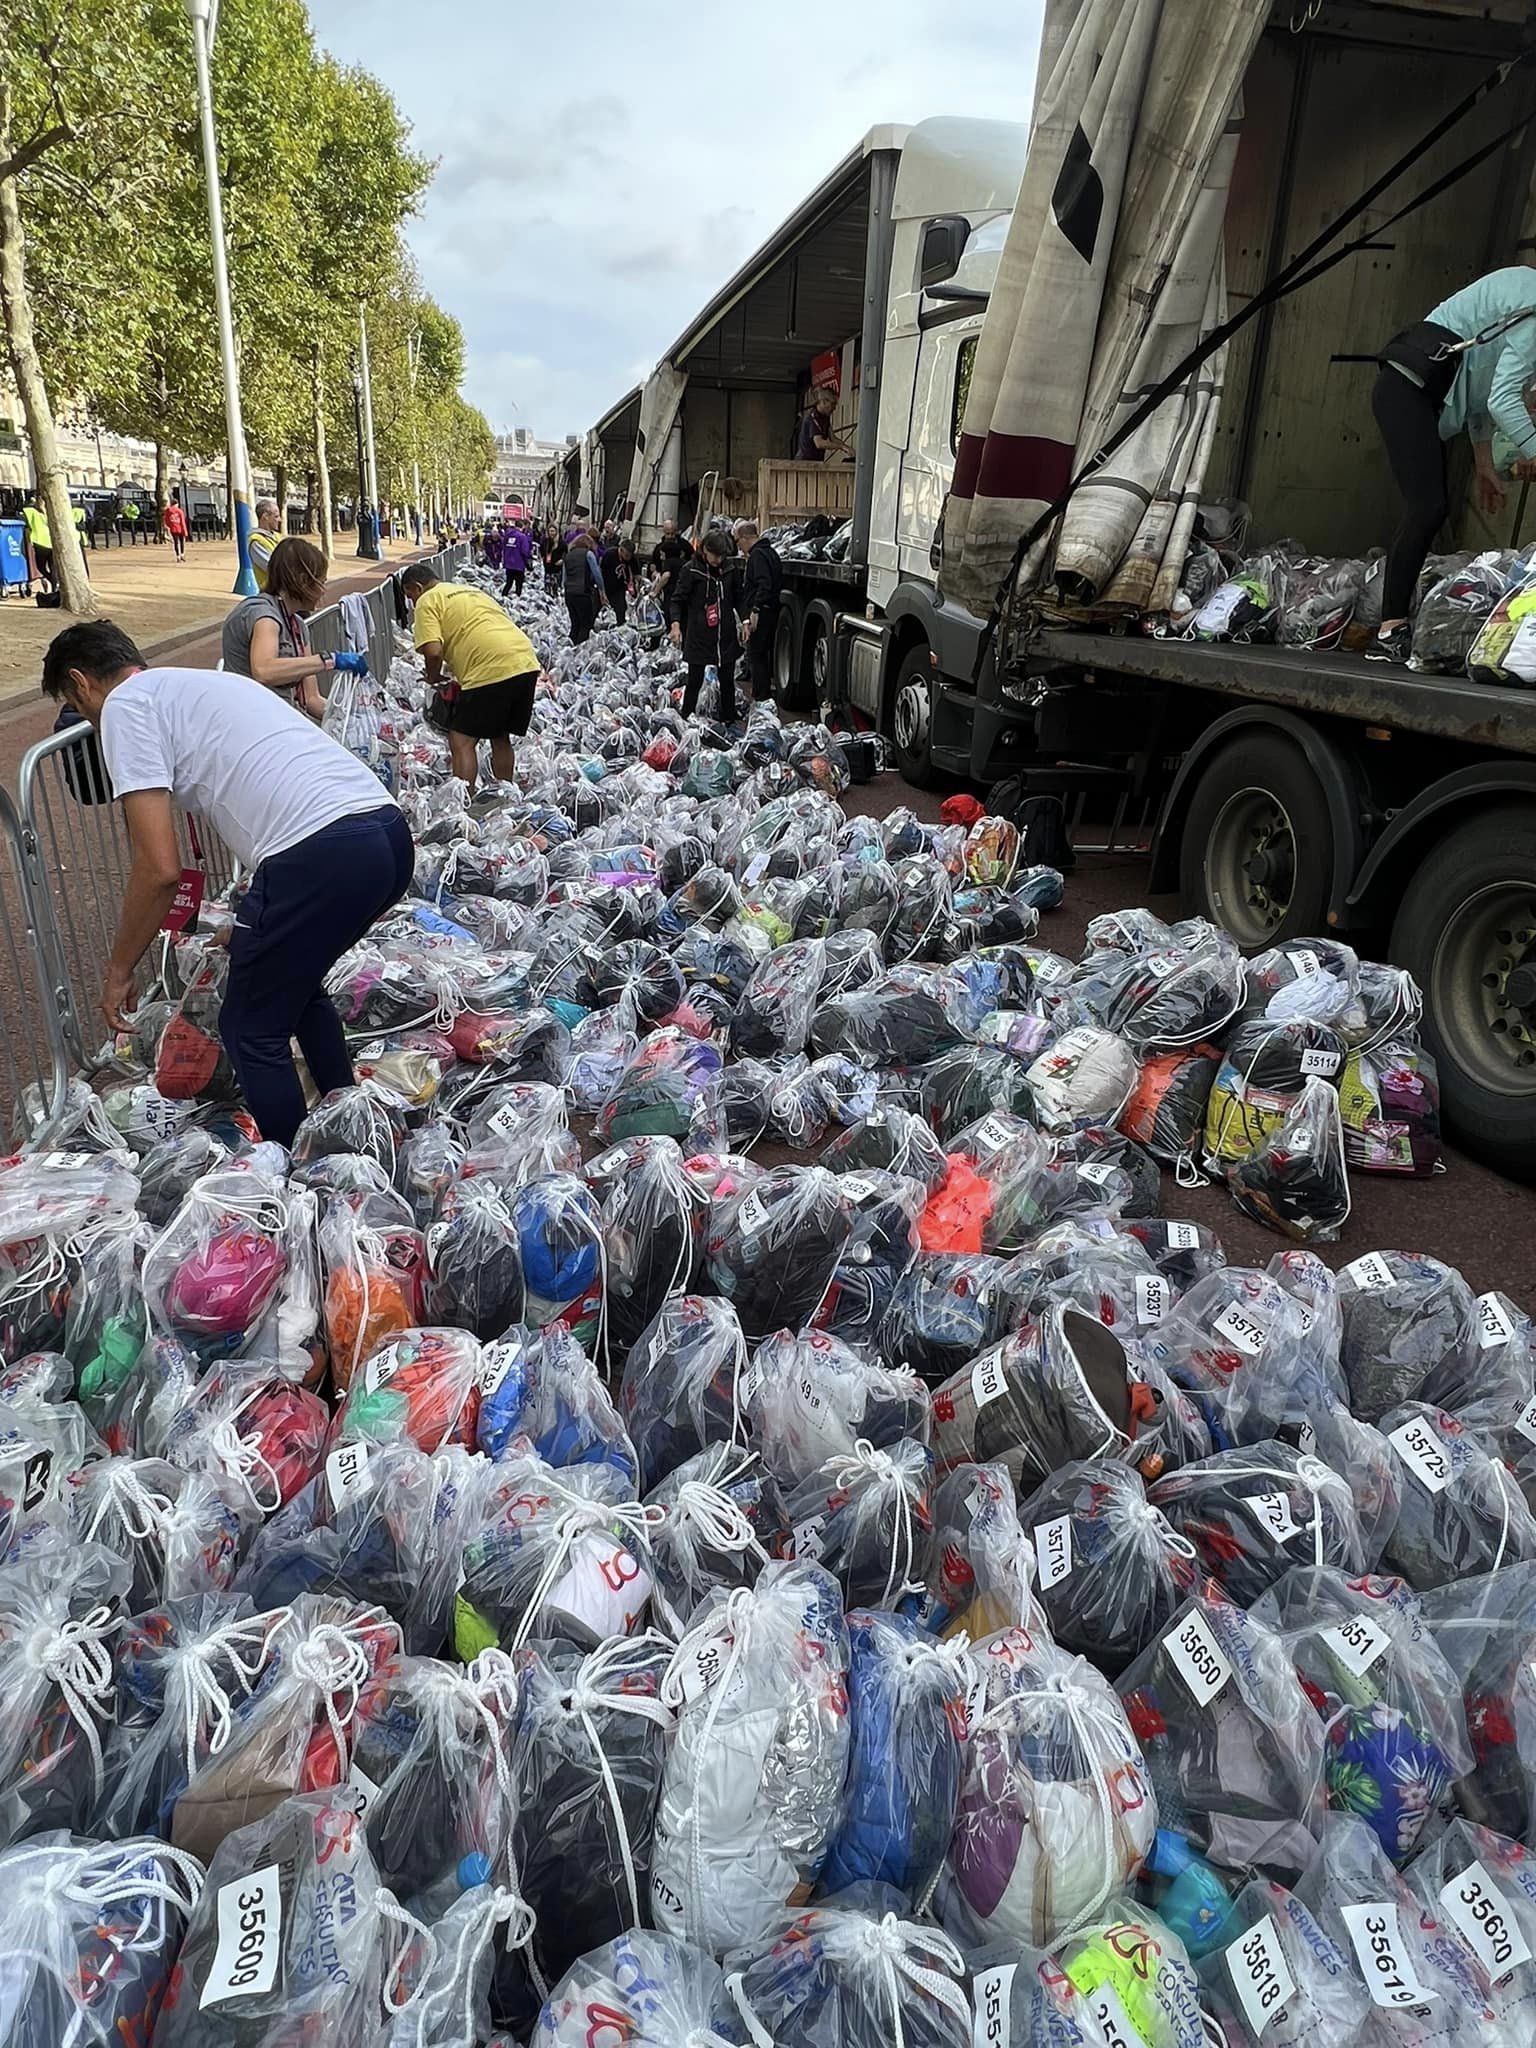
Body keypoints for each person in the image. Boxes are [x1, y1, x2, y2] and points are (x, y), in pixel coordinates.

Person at [41, 619, 413, 1147]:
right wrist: (252, 926)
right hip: (385, 833)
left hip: (320, 849)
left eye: (80, 711)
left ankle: (299, 1175)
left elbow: (159, 869)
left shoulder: (124, 707)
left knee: (250, 1028)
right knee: (296, 986)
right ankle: (347, 1129)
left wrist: (120, 968)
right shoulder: (201, 685)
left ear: (81, 685)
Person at [1371, 267, 1536, 662]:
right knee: (1427, 507)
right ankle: (1390, 628)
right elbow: (1504, 401)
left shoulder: (1524, 295)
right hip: (1406, 389)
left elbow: (1482, 399)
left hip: (1416, 392)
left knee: (1428, 506)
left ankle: (1394, 621)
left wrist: (1484, 465)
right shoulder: (1533, 309)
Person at [402, 560, 542, 788]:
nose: (412, 601)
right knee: (500, 735)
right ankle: (506, 796)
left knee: (462, 740)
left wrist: (434, 677)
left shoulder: (427, 600)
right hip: (524, 661)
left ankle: (462, 805)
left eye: (410, 596)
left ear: (418, 587)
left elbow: (434, 652)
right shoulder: (468, 590)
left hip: (489, 667)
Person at [222, 536, 361, 718]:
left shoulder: (298, 626)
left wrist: (350, 717)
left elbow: (312, 699)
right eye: (322, 582)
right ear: (304, 581)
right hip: (249, 720)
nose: (323, 590)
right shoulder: (264, 615)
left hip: (280, 718)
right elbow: (264, 670)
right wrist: (330, 660)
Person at [670, 529, 745, 724]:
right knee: (695, 680)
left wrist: (745, 620)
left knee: (727, 680)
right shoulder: (691, 570)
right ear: (704, 549)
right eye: (714, 555)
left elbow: (739, 598)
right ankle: (686, 717)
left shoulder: (730, 570)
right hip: (698, 633)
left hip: (725, 634)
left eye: (722, 556)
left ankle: (729, 719)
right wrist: (676, 625)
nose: (718, 560)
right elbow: (677, 600)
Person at [734, 519, 783, 705]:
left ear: (746, 538)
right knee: (764, 653)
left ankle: (760, 697)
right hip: (771, 610)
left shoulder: (757, 556)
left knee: (757, 654)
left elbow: (764, 583)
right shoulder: (771, 553)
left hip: (762, 612)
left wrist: (755, 609)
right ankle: (763, 694)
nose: (738, 547)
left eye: (738, 541)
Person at [562, 533, 606, 644]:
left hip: (569, 594)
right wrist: (602, 590)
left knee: (575, 623)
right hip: (583, 593)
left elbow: (564, 578)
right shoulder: (588, 554)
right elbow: (597, 574)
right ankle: (581, 651)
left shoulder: (568, 555)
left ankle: (569, 648)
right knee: (585, 624)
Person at [795, 384, 850, 463]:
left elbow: (833, 438)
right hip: (805, 463)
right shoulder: (813, 417)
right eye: (833, 404)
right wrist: (841, 446)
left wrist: (846, 447)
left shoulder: (825, 417)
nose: (834, 408)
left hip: (816, 462)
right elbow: (819, 443)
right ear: (823, 402)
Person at [648, 518, 691, 607]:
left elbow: (666, 575)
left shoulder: (685, 546)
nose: (670, 536)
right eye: (668, 534)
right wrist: (655, 573)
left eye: (672, 533)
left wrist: (655, 591)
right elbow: (653, 564)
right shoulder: (659, 547)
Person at [22, 489, 54, 592]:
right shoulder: (50, 512)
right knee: (53, 568)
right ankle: (55, 586)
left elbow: (26, 526)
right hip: (52, 543)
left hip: (40, 543)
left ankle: (53, 582)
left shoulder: (31, 511)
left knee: (41, 567)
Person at [600, 535, 636, 627]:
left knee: (621, 609)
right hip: (606, 585)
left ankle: (621, 628)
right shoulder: (609, 554)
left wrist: (632, 584)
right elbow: (601, 572)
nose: (628, 558)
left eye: (630, 556)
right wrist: (602, 591)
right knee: (597, 608)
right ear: (621, 550)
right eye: (626, 555)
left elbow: (635, 572)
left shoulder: (631, 559)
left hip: (619, 588)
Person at [248, 499, 283, 590]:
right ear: (265, 516)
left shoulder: (278, 537)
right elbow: (272, 568)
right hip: (272, 593)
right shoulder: (256, 541)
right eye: (276, 516)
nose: (280, 520)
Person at [502, 520, 535, 597]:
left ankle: (502, 597)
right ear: (522, 526)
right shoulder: (522, 537)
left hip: (509, 564)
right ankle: (517, 600)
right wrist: (528, 564)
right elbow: (525, 551)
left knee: (508, 583)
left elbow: (504, 548)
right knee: (518, 584)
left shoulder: (507, 535)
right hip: (518, 564)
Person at [162, 495, 188, 562]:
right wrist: (185, 531)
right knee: (181, 542)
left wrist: (169, 526)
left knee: (176, 542)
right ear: (177, 504)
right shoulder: (179, 511)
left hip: (173, 528)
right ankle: (182, 554)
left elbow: (166, 520)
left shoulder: (167, 511)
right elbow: (182, 522)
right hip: (180, 528)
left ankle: (178, 556)